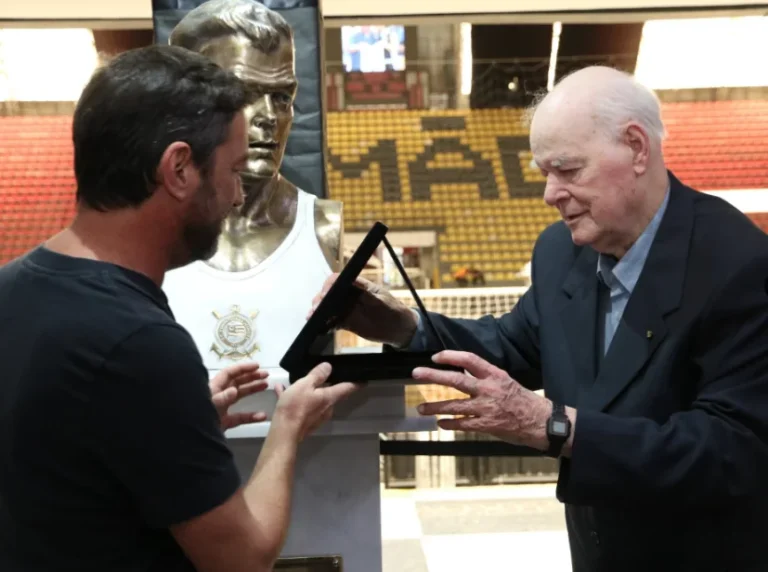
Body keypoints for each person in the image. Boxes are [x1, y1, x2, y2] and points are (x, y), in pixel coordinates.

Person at [312, 66, 768, 571]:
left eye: (568, 170)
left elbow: (735, 452)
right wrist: (402, 325)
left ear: (638, 148)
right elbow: (514, 343)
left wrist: (554, 426)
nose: (550, 194)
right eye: (544, 173)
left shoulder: (739, 264)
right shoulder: (561, 251)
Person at [0, 45, 356, 572]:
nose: (238, 197)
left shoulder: (12, 287)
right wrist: (288, 427)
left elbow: (66, 458)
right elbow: (242, 556)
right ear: (180, 168)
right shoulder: (139, 344)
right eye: (233, 171)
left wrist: (173, 425)